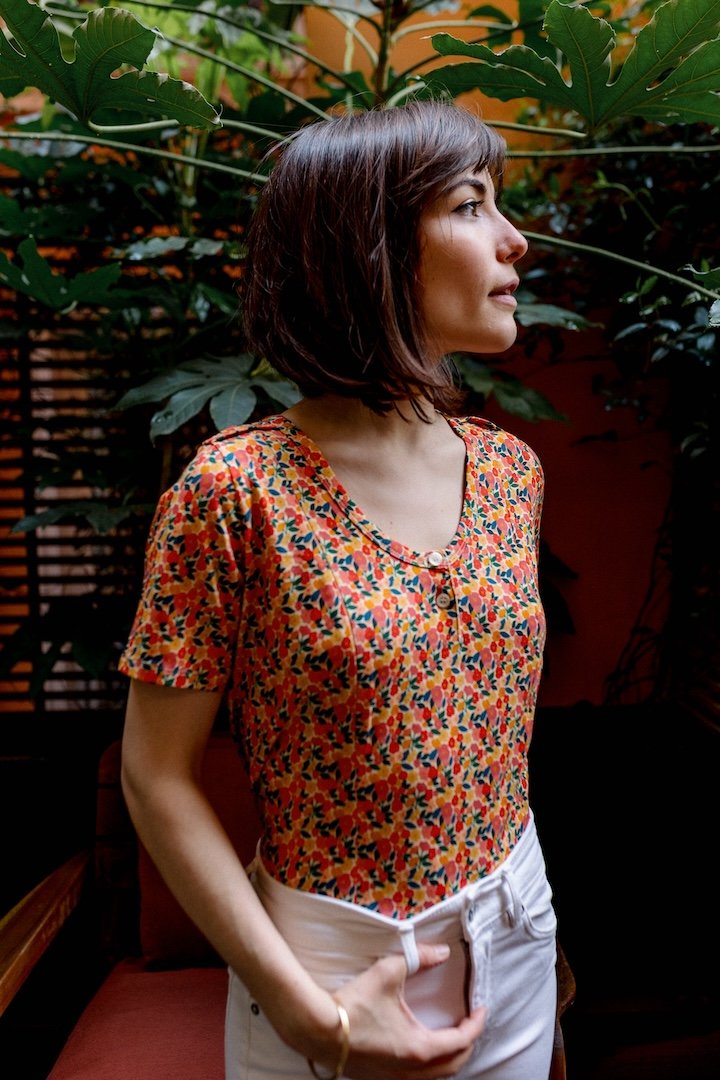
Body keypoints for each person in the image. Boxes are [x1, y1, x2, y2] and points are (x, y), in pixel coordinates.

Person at [119, 100, 558, 1080]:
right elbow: (154, 774)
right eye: (471, 205)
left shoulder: (510, 472)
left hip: (516, 929)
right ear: (372, 248)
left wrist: (524, 926)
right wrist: (307, 1014)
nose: (514, 239)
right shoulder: (235, 492)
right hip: (328, 967)